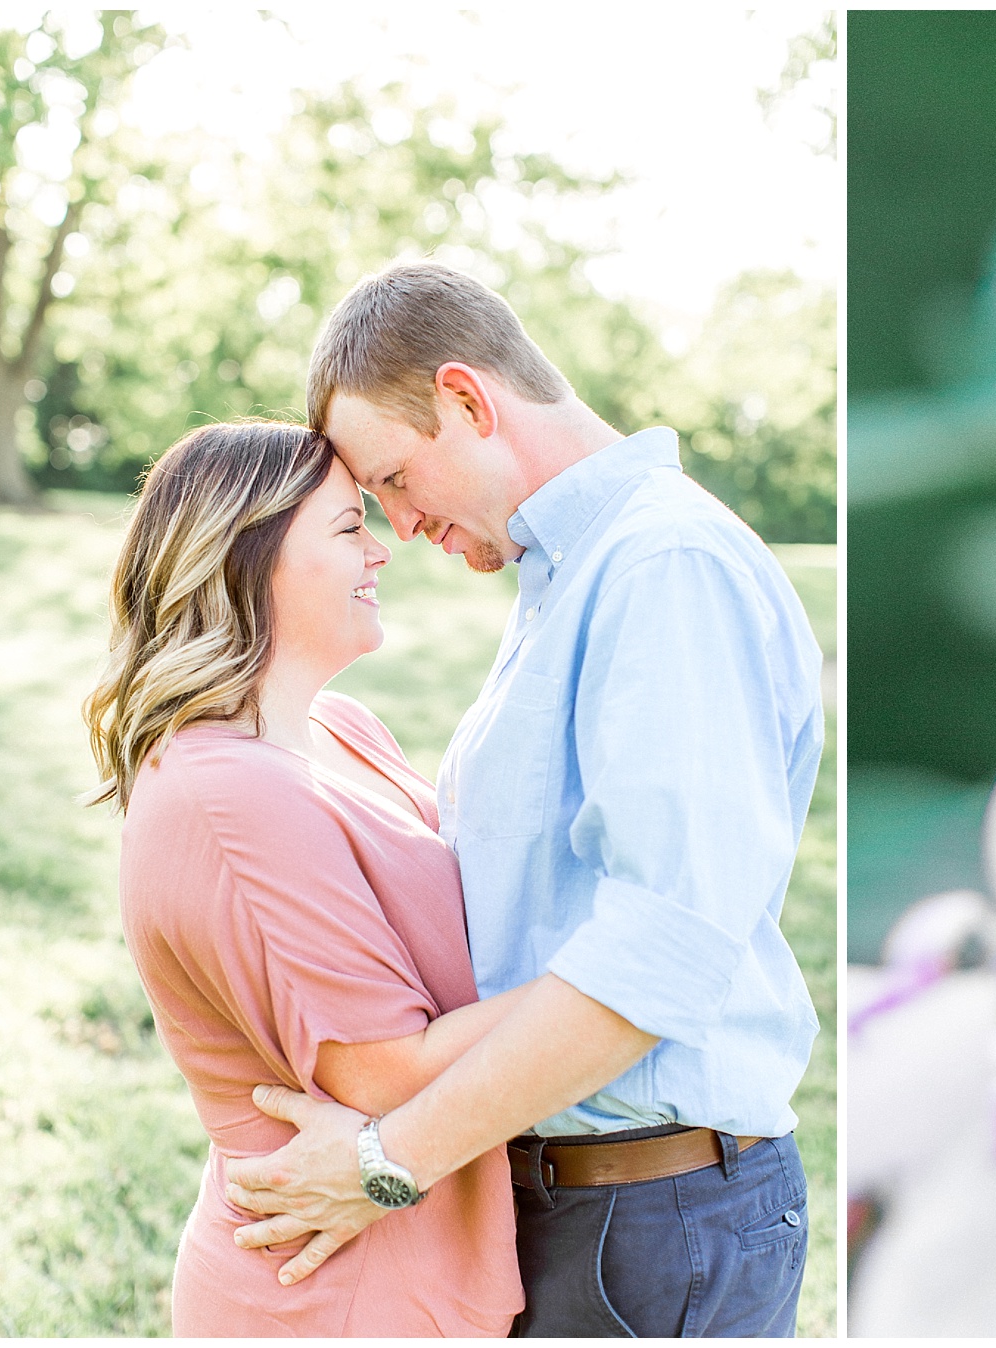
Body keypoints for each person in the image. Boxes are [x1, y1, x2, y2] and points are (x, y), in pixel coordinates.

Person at [224, 262, 825, 1337]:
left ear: (467, 399)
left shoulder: (662, 568)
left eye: (397, 479)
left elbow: (665, 945)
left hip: (650, 1220)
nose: (398, 527)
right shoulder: (570, 575)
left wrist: (384, 1164)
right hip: (586, 1207)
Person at [84, 421, 529, 1335]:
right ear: (249, 561)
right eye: (344, 527)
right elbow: (385, 1076)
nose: (382, 547)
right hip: (331, 1297)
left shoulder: (343, 731)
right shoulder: (225, 793)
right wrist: (625, 976)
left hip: (420, 1262)